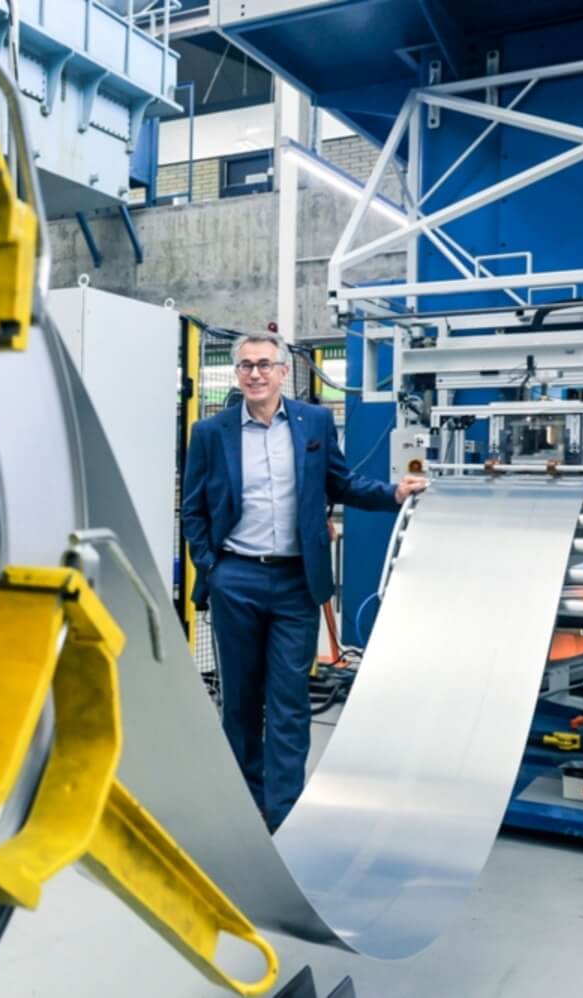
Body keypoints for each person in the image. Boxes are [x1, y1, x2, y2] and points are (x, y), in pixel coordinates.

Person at [181, 333, 427, 832]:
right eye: (246, 366)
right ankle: (246, 809)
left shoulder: (313, 423)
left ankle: (284, 814)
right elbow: (193, 510)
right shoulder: (212, 433)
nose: (255, 374)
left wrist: (393, 493)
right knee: (241, 703)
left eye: (264, 365)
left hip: (296, 583)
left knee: (290, 702)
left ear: (282, 373)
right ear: (237, 375)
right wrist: (213, 568)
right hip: (237, 579)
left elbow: (340, 483)